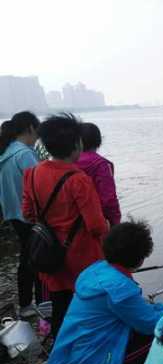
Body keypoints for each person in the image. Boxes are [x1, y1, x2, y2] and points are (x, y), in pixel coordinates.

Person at [46, 220, 163, 364]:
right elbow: (151, 324)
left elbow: (139, 311)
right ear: (141, 258)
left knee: (159, 320)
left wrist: (160, 309)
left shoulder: (95, 270)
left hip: (73, 357)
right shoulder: (119, 289)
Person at [22, 113, 108, 337]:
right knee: (87, 305)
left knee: (59, 304)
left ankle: (62, 346)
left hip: (49, 253)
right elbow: (97, 226)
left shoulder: (32, 174)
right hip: (81, 257)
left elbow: (28, 213)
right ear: (76, 144)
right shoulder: (78, 179)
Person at [0, 111, 41, 318]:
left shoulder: (7, 152)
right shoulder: (24, 154)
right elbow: (41, 184)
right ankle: (37, 305)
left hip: (14, 214)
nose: (37, 138)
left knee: (27, 259)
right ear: (30, 129)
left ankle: (26, 304)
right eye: (37, 131)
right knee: (38, 260)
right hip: (29, 216)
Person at [75, 123, 121, 227]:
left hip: (70, 222)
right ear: (99, 141)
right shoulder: (101, 165)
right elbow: (109, 199)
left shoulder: (67, 162)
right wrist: (115, 223)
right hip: (95, 222)